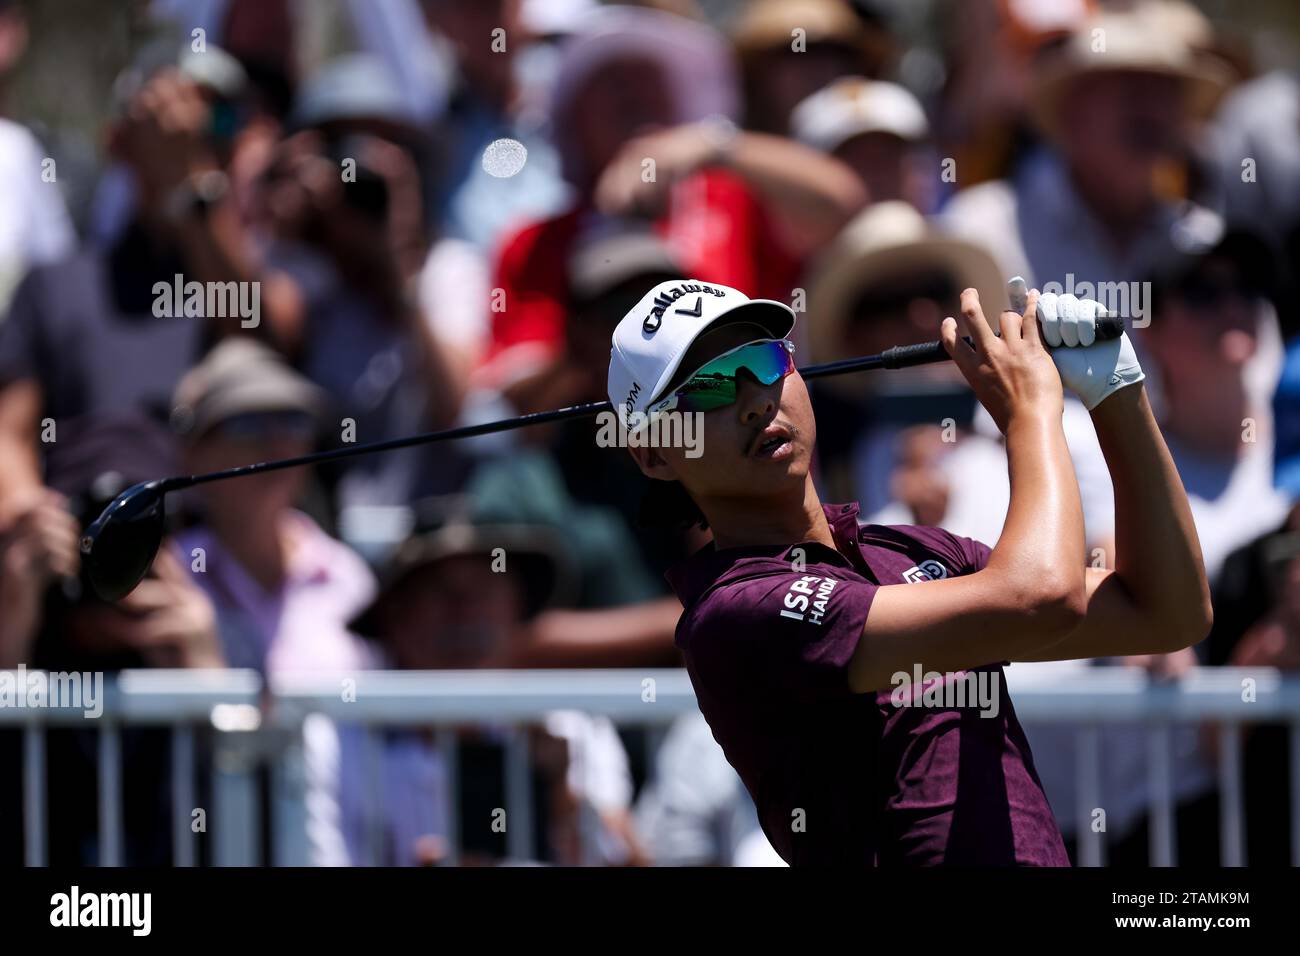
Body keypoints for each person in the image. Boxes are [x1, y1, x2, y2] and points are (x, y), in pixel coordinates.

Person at [608, 277, 1211, 864]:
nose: (754, 398)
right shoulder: (735, 613)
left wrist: (1117, 393)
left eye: (765, 361)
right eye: (710, 386)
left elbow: (1166, 613)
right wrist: (1030, 413)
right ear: (653, 454)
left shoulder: (911, 550)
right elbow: (1040, 596)